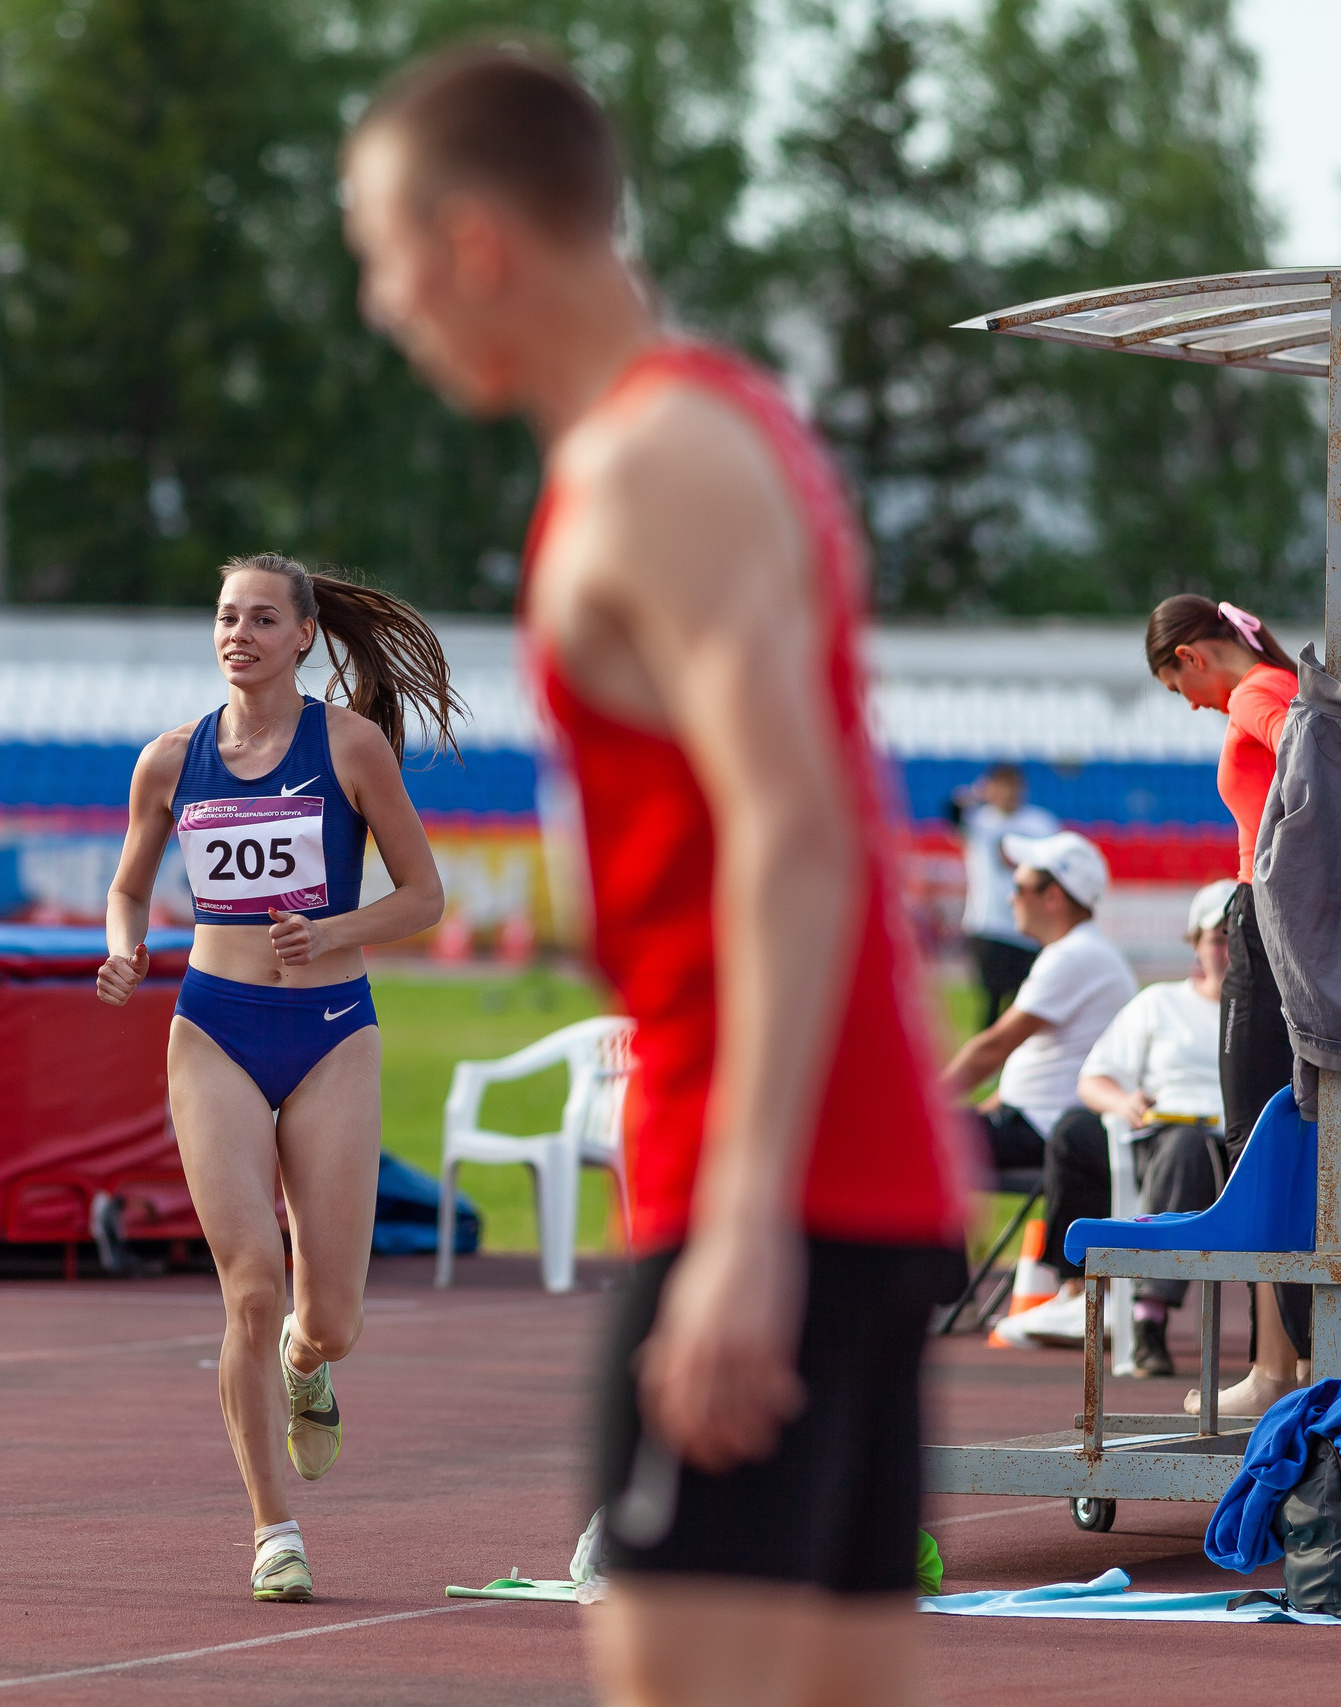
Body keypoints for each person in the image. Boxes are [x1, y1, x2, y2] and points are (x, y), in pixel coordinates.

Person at [342, 47, 971, 1705]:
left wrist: (746, 1224)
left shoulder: (648, 467)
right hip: (837, 1178)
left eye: (381, 256)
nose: (378, 304)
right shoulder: (703, 430)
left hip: (772, 1188)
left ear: (477, 242)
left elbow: (799, 823)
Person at [95, 552, 452, 1604]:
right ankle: (271, 1530)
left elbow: (423, 895)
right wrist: (126, 945)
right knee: (251, 1283)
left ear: (304, 635)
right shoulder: (168, 760)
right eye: (223, 618)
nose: (237, 634)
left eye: (260, 619)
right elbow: (127, 888)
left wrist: (333, 928)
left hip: (333, 1029)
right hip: (214, 1026)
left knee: (326, 1315)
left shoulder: (348, 745)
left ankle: (311, 1366)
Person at [1149, 592, 1309, 1418]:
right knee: (1290, 1133)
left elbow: (1308, 763)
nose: (1191, 704)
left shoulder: (1253, 694)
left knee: (1258, 1140)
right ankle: (1289, 1357)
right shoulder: (1279, 681)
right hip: (1289, 915)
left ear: (1193, 657)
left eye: (1181, 689)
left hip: (1263, 914)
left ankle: (1280, 1366)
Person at [937, 832, 1136, 1350]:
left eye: (1020, 885)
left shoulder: (1072, 956)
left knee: (915, 1139)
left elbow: (992, 1046)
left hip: (1047, 1129)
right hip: (1042, 1121)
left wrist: (925, 1103)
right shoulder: (1079, 953)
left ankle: (939, 1293)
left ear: (1054, 895)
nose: (1010, 897)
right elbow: (1038, 1061)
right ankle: (945, 1291)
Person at [1040, 878, 1237, 1377]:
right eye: (1218, 937)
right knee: (1181, 1147)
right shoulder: (1159, 1004)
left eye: (1239, 936)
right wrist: (1126, 1101)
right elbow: (1093, 1078)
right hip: (1167, 1139)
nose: (1229, 949)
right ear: (1194, 943)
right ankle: (1146, 1315)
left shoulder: (1268, 1015)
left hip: (1241, 1145)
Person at [947, 764, 1058, 1020]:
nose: (1008, 793)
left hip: (1030, 928)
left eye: (1012, 786)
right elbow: (951, 811)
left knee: (1026, 1003)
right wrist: (975, 794)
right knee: (991, 1001)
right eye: (1001, 785)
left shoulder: (1041, 823)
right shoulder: (980, 821)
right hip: (988, 925)